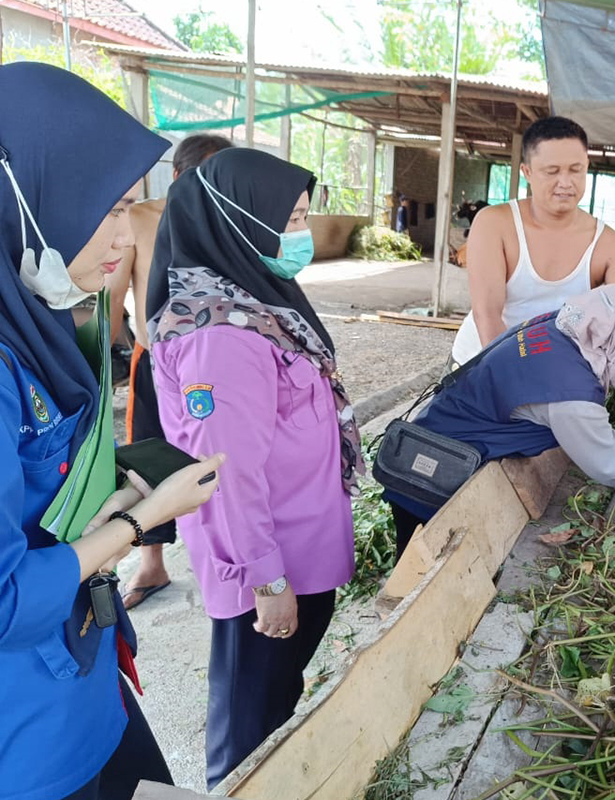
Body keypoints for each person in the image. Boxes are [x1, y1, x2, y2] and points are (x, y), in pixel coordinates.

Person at [0, 62, 225, 800]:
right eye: (106, 205)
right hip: (31, 742)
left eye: (133, 207)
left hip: (86, 683)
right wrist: (138, 524)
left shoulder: (47, 325)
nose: (126, 234)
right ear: (24, 198)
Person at [146, 147, 363, 790]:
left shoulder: (253, 300)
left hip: (298, 547)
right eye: (288, 218)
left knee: (274, 710)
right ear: (237, 220)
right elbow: (227, 474)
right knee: (249, 730)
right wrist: (266, 582)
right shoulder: (222, 333)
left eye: (302, 216)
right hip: (268, 566)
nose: (300, 234)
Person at [387, 284, 615, 537]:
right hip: (432, 478)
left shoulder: (567, 328)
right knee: (421, 570)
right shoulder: (571, 395)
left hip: (439, 435)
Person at [107, 133, 232, 610]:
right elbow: (114, 298)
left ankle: (226, 553)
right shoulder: (141, 219)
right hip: (154, 360)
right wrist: (101, 365)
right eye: (206, 178)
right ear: (179, 176)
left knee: (216, 456)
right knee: (149, 460)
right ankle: (152, 562)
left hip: (213, 364)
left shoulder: (227, 220)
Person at [450, 116, 615, 366]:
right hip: (481, 363)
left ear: (587, 166)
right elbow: (488, 315)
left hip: (556, 371)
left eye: (575, 170)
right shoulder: (494, 224)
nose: (565, 182)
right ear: (526, 172)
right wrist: (516, 382)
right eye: (552, 171)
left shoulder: (609, 246)